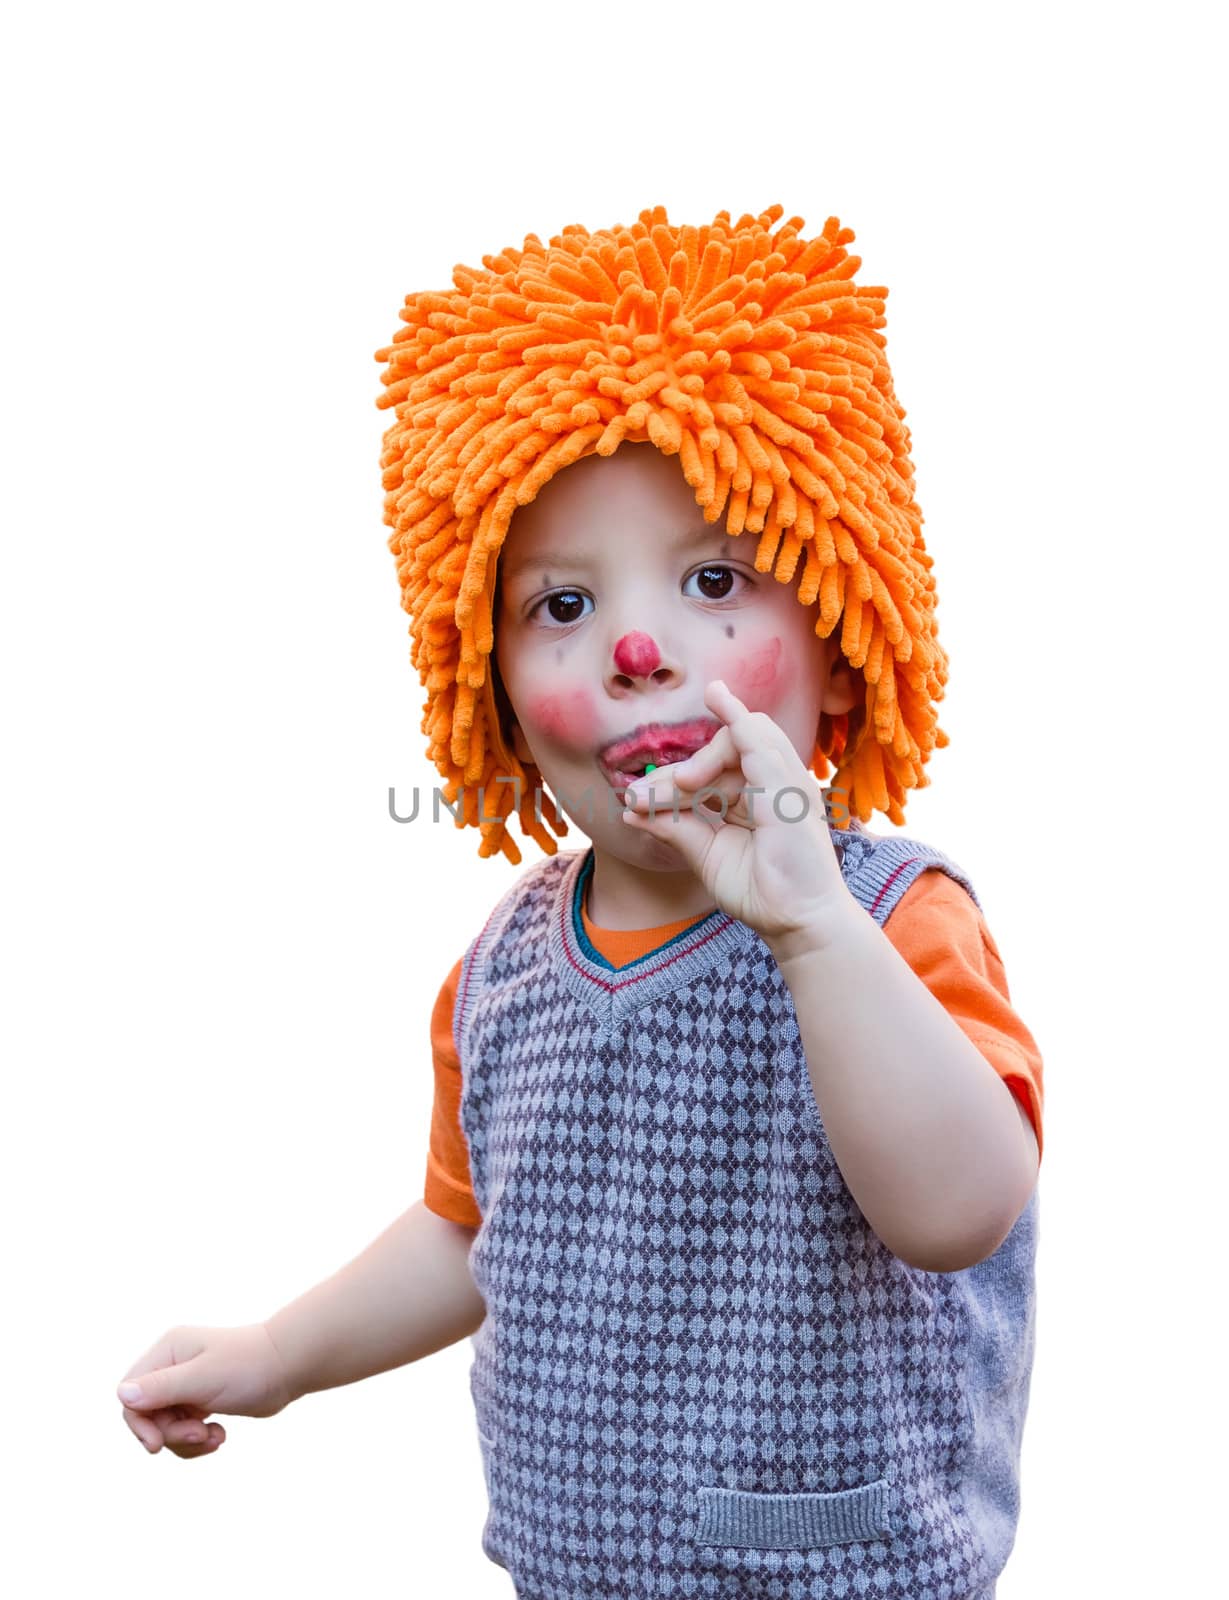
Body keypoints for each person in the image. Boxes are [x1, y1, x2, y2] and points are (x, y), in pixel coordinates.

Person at [116, 205, 1044, 1600]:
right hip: (572, 1569)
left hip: (837, 1570)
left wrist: (809, 930)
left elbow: (962, 1210)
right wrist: (276, 1356)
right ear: (484, 687)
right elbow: (474, 1231)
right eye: (558, 605)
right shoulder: (504, 967)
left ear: (846, 642)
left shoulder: (887, 920)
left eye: (713, 579)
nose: (633, 646)